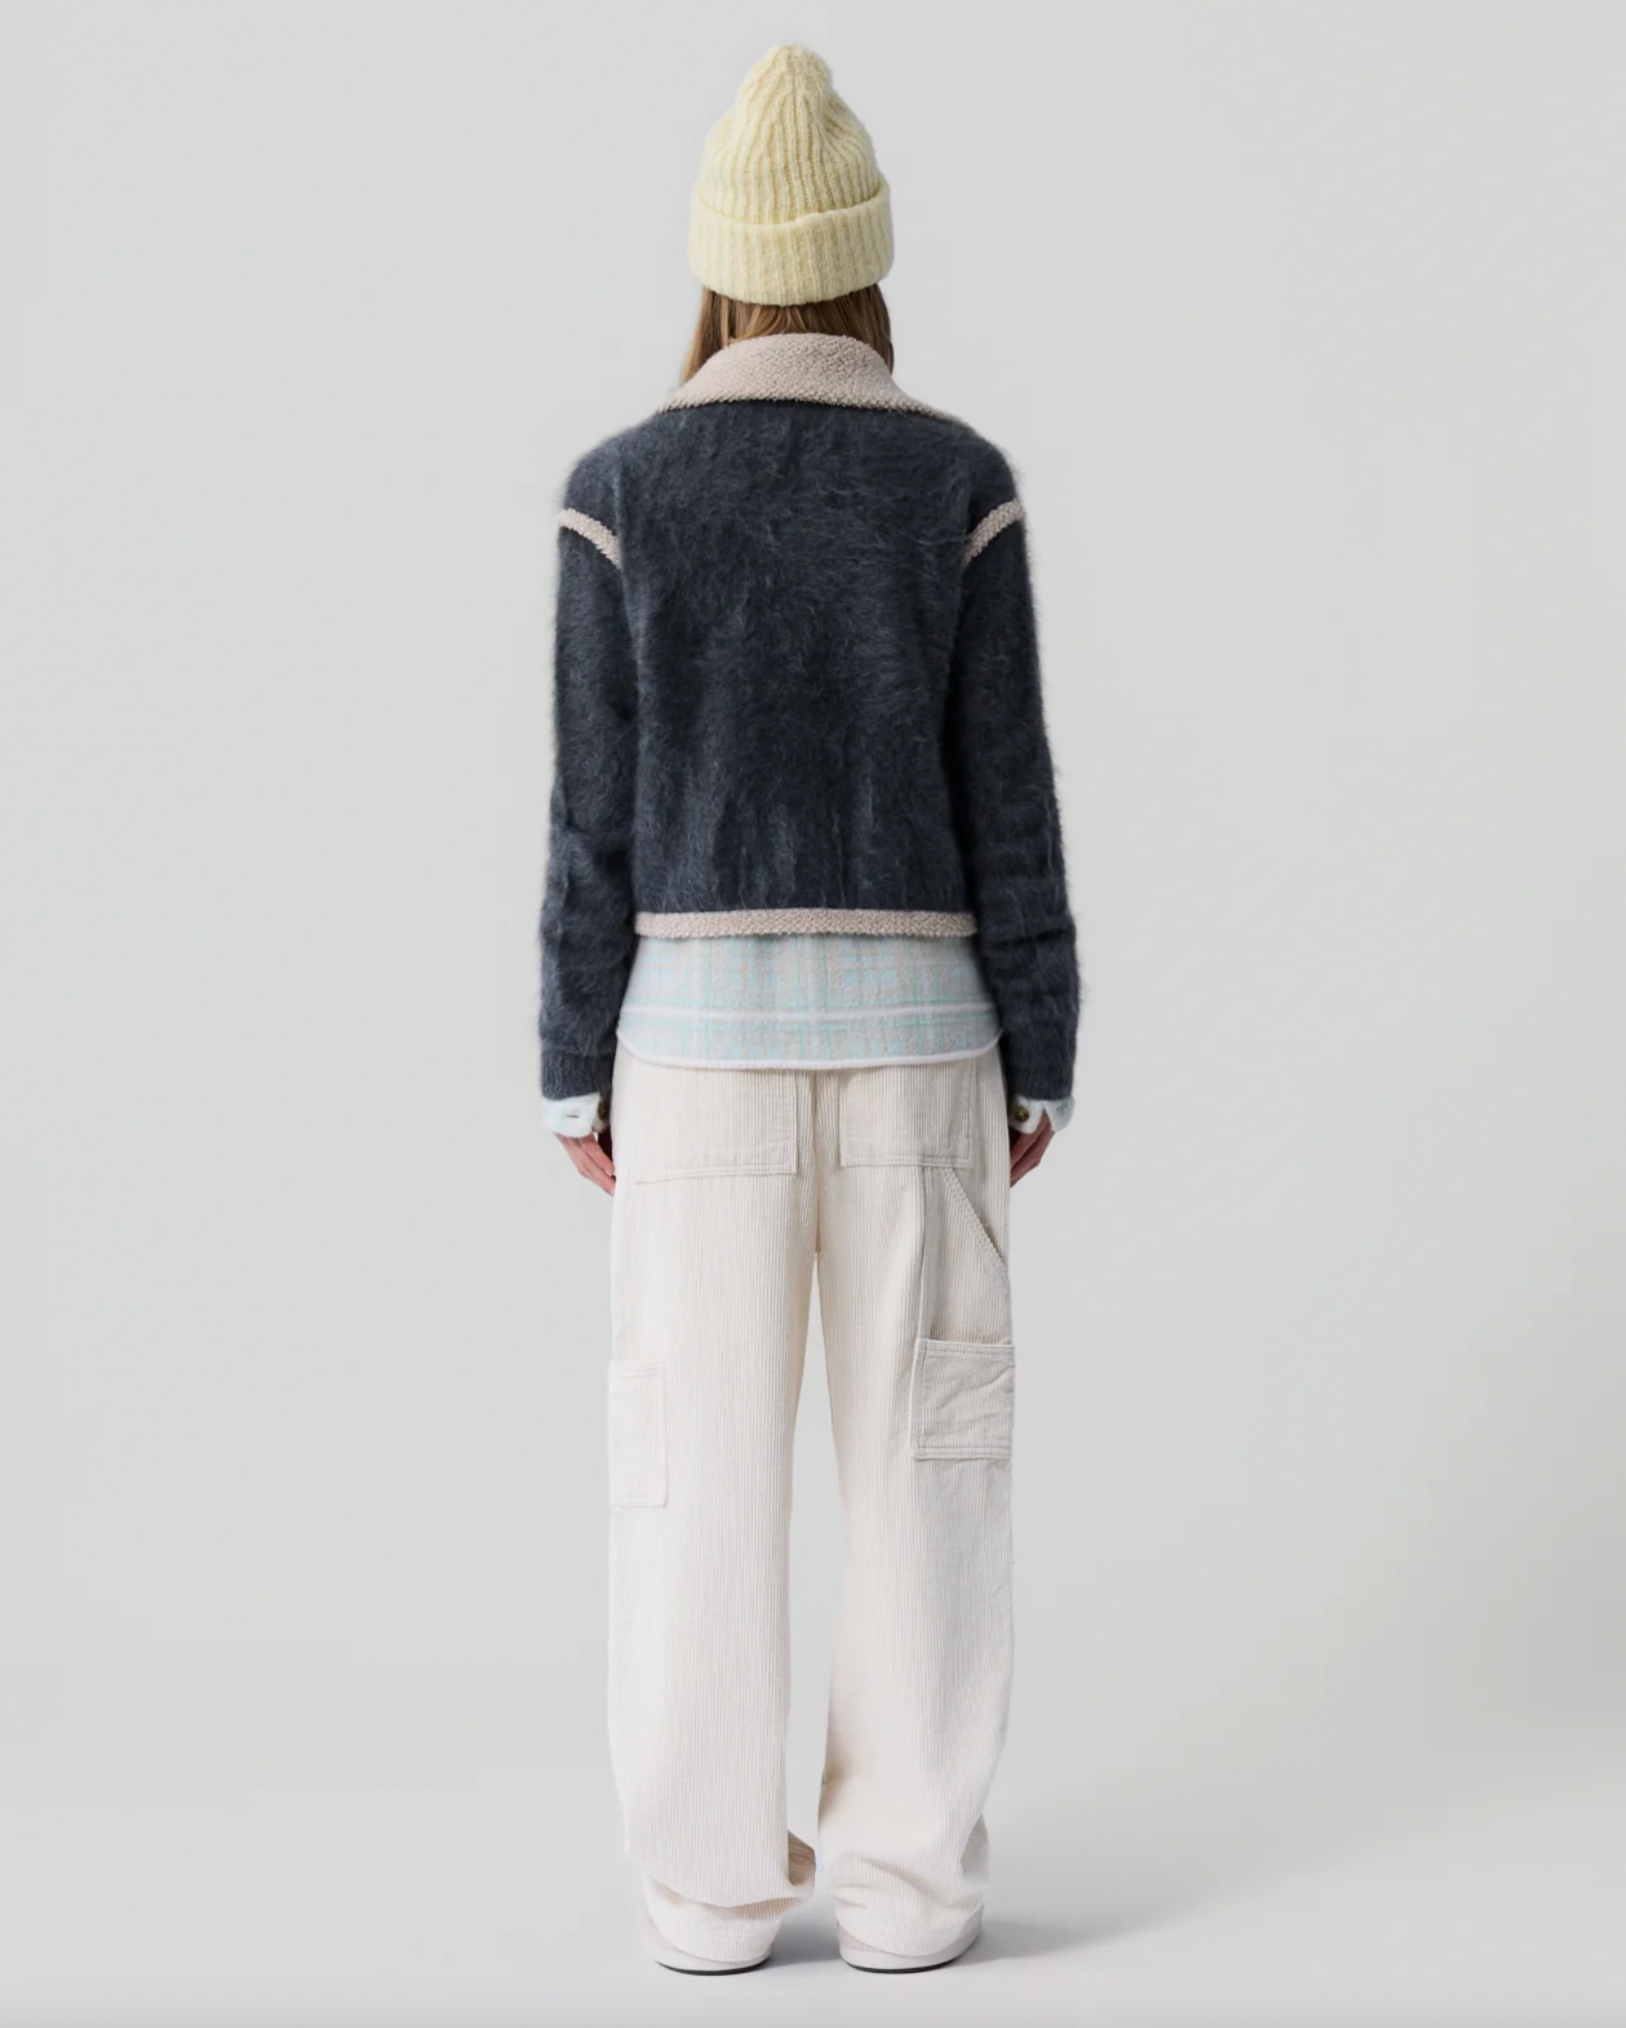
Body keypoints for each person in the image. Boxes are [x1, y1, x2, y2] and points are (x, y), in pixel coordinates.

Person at [538, 44, 1081, 1976]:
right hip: (926, 1053)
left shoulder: (619, 492)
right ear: (864, 265)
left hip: (692, 1069)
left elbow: (590, 816)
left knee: (689, 1476)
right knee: (929, 1468)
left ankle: (705, 1897)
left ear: (717, 267)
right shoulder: (956, 484)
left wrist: (571, 1070)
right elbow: (1005, 790)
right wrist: (1040, 1045)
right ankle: (909, 1895)